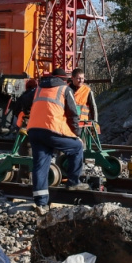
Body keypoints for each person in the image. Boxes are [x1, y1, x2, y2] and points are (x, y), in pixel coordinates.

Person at [27, 67, 90, 213]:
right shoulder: (65, 89)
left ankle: (41, 203)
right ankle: (73, 182)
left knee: (40, 165)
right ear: (65, 80)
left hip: (34, 131)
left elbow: (24, 101)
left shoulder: (38, 88)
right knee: (77, 147)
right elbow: (73, 115)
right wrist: (77, 135)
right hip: (52, 130)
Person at [71, 68, 98, 132]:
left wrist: (95, 122)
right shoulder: (66, 89)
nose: (81, 81)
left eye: (82, 78)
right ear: (72, 78)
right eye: (78, 78)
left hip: (83, 124)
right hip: (70, 123)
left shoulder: (87, 90)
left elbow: (93, 107)